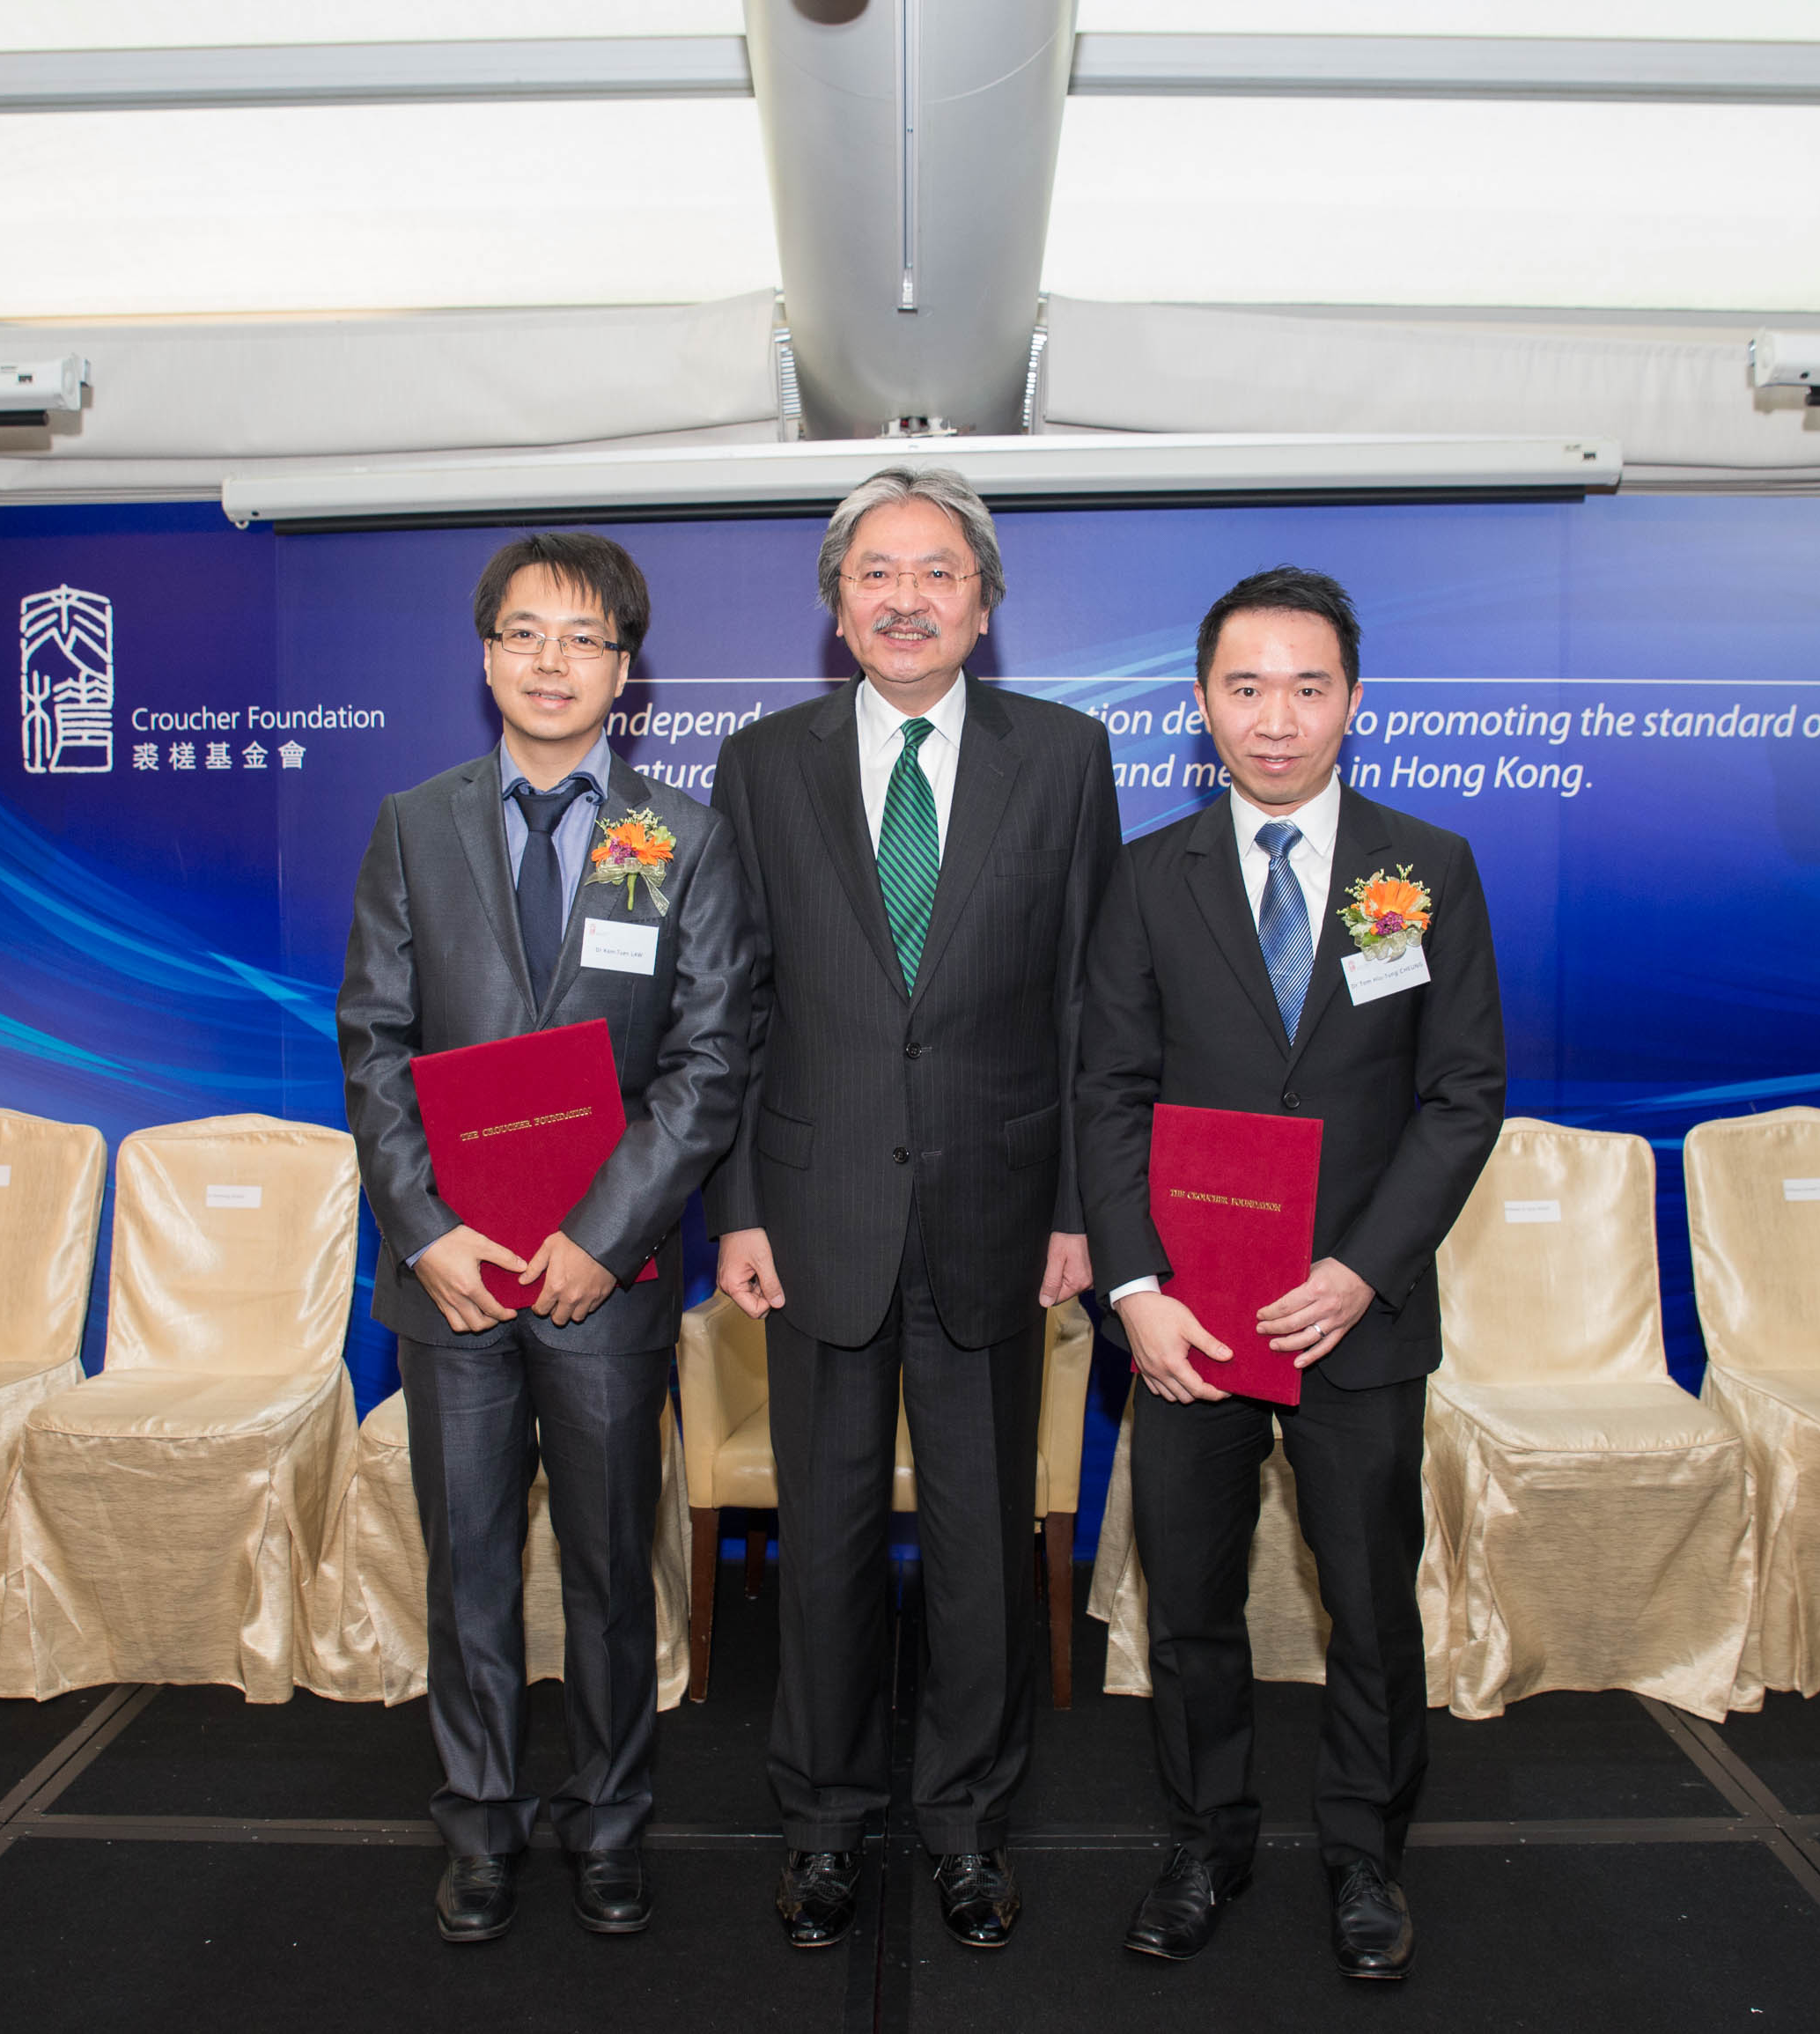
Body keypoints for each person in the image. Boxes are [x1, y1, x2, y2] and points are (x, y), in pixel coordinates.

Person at [706, 465, 1121, 1952]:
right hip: (809, 1220)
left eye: (935, 572)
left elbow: (1089, 998)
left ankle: (964, 1825)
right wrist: (738, 1202)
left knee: (976, 1548)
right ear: (835, 603)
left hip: (999, 1220)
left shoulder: (1065, 758)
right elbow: (734, 1003)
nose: (903, 596)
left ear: (983, 602)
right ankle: (820, 1822)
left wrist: (1080, 1203)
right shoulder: (759, 766)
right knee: (818, 1546)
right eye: (874, 572)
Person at [1076, 565, 1506, 1980]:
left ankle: (1367, 1853)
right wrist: (1133, 1287)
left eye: (1306, 685)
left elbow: (1460, 1094)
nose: (1276, 717)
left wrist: (1359, 1271)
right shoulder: (1145, 877)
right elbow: (1109, 1095)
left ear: (1353, 702)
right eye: (1245, 686)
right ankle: (1206, 1837)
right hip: (1187, 1324)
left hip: (1353, 1322)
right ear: (1200, 703)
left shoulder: (1420, 868)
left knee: (1371, 1602)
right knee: (1189, 1597)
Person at [338, 532, 759, 1944]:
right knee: (463, 1569)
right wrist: (431, 1228)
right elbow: (376, 1044)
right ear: (485, 656)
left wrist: (599, 1233)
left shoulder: (681, 836)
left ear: (624, 670)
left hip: (606, 1278)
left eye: (581, 639)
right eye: (523, 634)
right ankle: (477, 1827)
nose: (549, 661)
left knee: (604, 1569)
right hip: (448, 1280)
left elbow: (708, 1064)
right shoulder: (413, 822)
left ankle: (611, 1821)